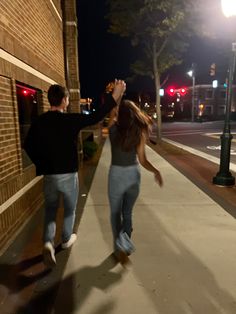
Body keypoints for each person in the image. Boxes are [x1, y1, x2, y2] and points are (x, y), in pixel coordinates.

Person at [24, 80, 126, 268]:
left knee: (51, 210)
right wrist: (116, 95)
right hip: (68, 175)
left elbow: (27, 145)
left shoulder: (39, 122)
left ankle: (47, 242)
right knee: (70, 209)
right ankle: (65, 239)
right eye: (67, 99)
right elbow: (96, 116)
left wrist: (42, 164)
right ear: (63, 101)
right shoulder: (70, 120)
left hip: (50, 176)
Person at [108, 99, 163, 262]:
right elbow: (143, 160)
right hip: (133, 175)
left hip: (116, 175)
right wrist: (156, 171)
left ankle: (121, 244)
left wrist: (114, 106)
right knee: (127, 212)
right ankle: (126, 242)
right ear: (134, 114)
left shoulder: (112, 129)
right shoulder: (139, 132)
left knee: (115, 213)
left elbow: (111, 116)